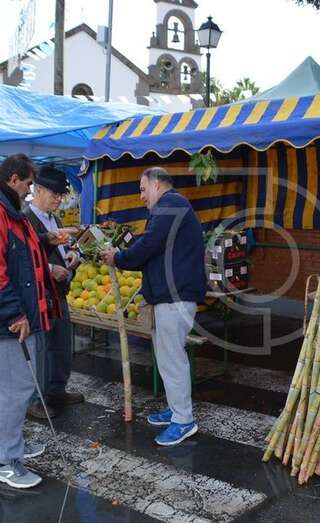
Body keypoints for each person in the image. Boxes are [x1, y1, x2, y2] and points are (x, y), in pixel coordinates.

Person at [0, 153, 67, 489]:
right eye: (26, 184)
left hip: (18, 315)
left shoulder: (6, 211)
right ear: (13, 179)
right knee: (15, 389)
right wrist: (13, 314)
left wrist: (43, 240)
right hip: (7, 319)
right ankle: (7, 461)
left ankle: (11, 447)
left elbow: (16, 254)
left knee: (18, 388)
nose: (27, 191)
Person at [100, 166, 206, 447]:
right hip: (169, 296)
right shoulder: (171, 207)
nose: (141, 196)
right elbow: (154, 246)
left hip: (176, 297)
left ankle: (184, 421)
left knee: (172, 358)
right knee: (167, 356)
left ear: (157, 184)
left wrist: (119, 257)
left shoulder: (170, 206)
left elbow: (148, 245)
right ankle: (176, 408)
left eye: (143, 189)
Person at [24, 165, 84, 418]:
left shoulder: (54, 218)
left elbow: (62, 246)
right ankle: (35, 398)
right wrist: (49, 268)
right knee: (40, 348)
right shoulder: (25, 217)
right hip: (39, 293)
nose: (59, 199)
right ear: (38, 191)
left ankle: (57, 389)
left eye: (61, 195)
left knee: (61, 344)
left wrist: (72, 256)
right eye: (55, 194)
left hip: (58, 293)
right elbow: (22, 255)